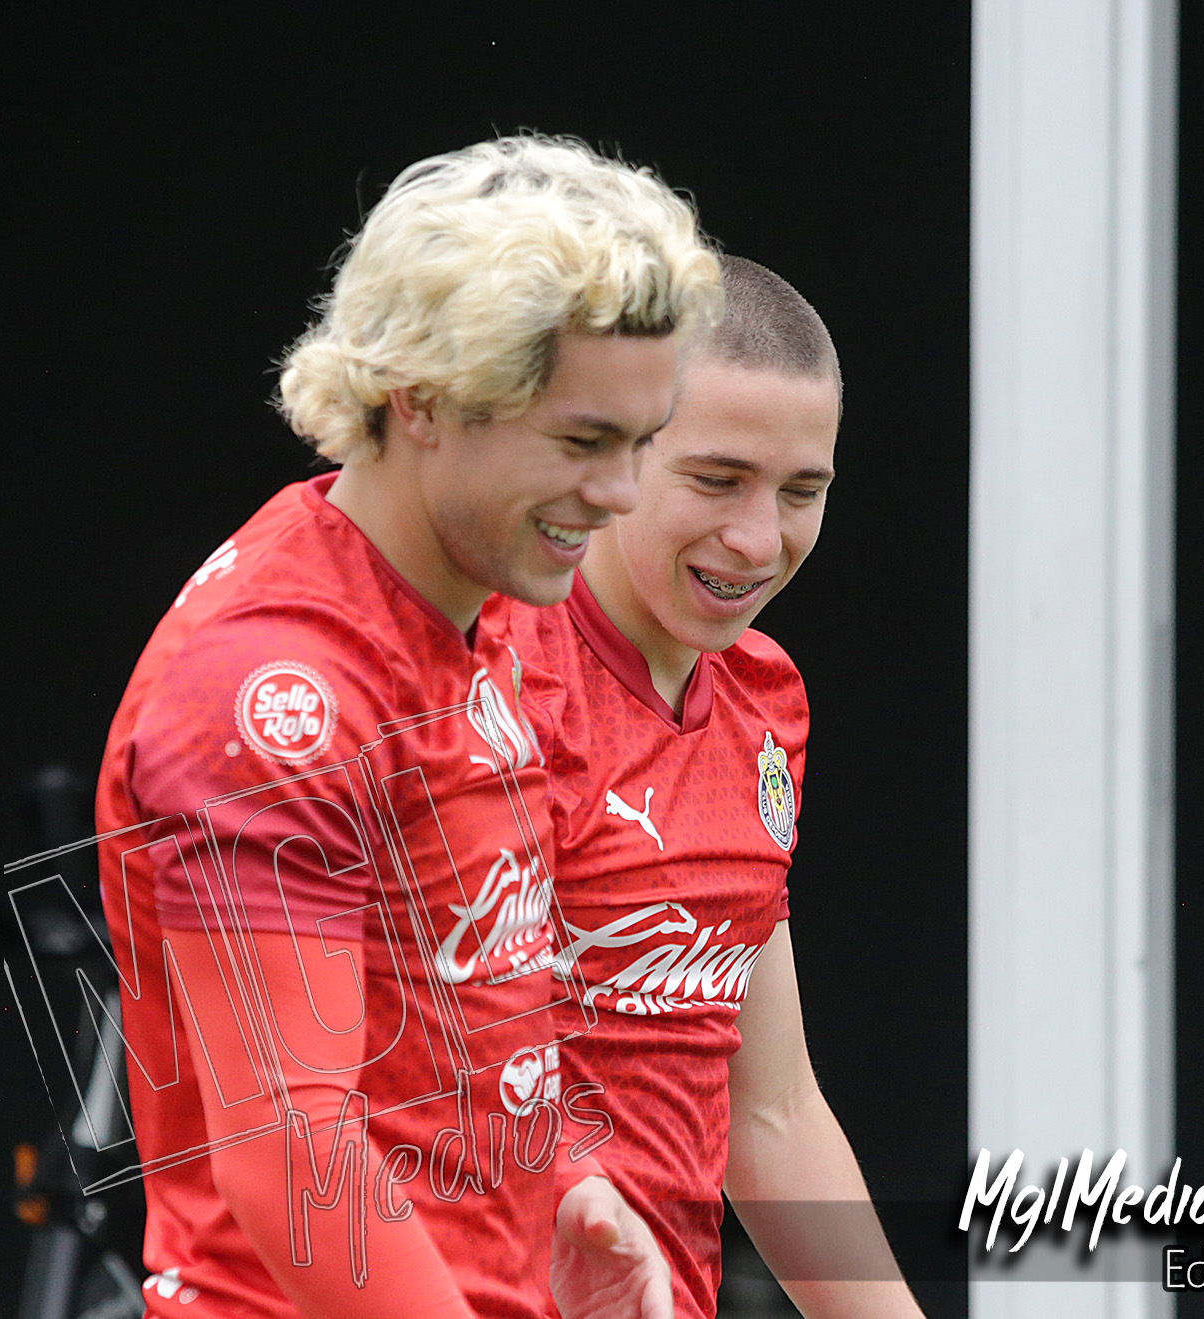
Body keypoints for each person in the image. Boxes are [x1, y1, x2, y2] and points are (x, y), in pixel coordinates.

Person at [94, 135, 723, 1319]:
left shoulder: (490, 607)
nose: (623, 494)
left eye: (643, 441)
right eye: (583, 441)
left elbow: (448, 1005)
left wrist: (568, 1182)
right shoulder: (272, 689)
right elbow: (292, 1159)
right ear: (422, 399)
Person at [500, 256, 924, 1318]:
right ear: (614, 452)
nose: (760, 538)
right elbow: (386, 1090)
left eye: (802, 491)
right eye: (718, 478)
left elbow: (771, 1112)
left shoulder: (764, 699)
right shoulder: (491, 679)